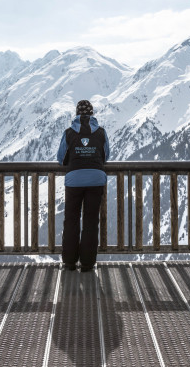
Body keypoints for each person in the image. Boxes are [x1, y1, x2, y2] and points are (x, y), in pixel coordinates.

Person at [57, 100, 110, 272]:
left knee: (71, 220)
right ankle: (87, 264)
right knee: (91, 221)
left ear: (77, 114)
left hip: (74, 181)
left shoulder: (69, 132)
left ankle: (70, 262)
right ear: (92, 114)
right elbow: (106, 156)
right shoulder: (101, 132)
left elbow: (61, 158)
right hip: (96, 179)